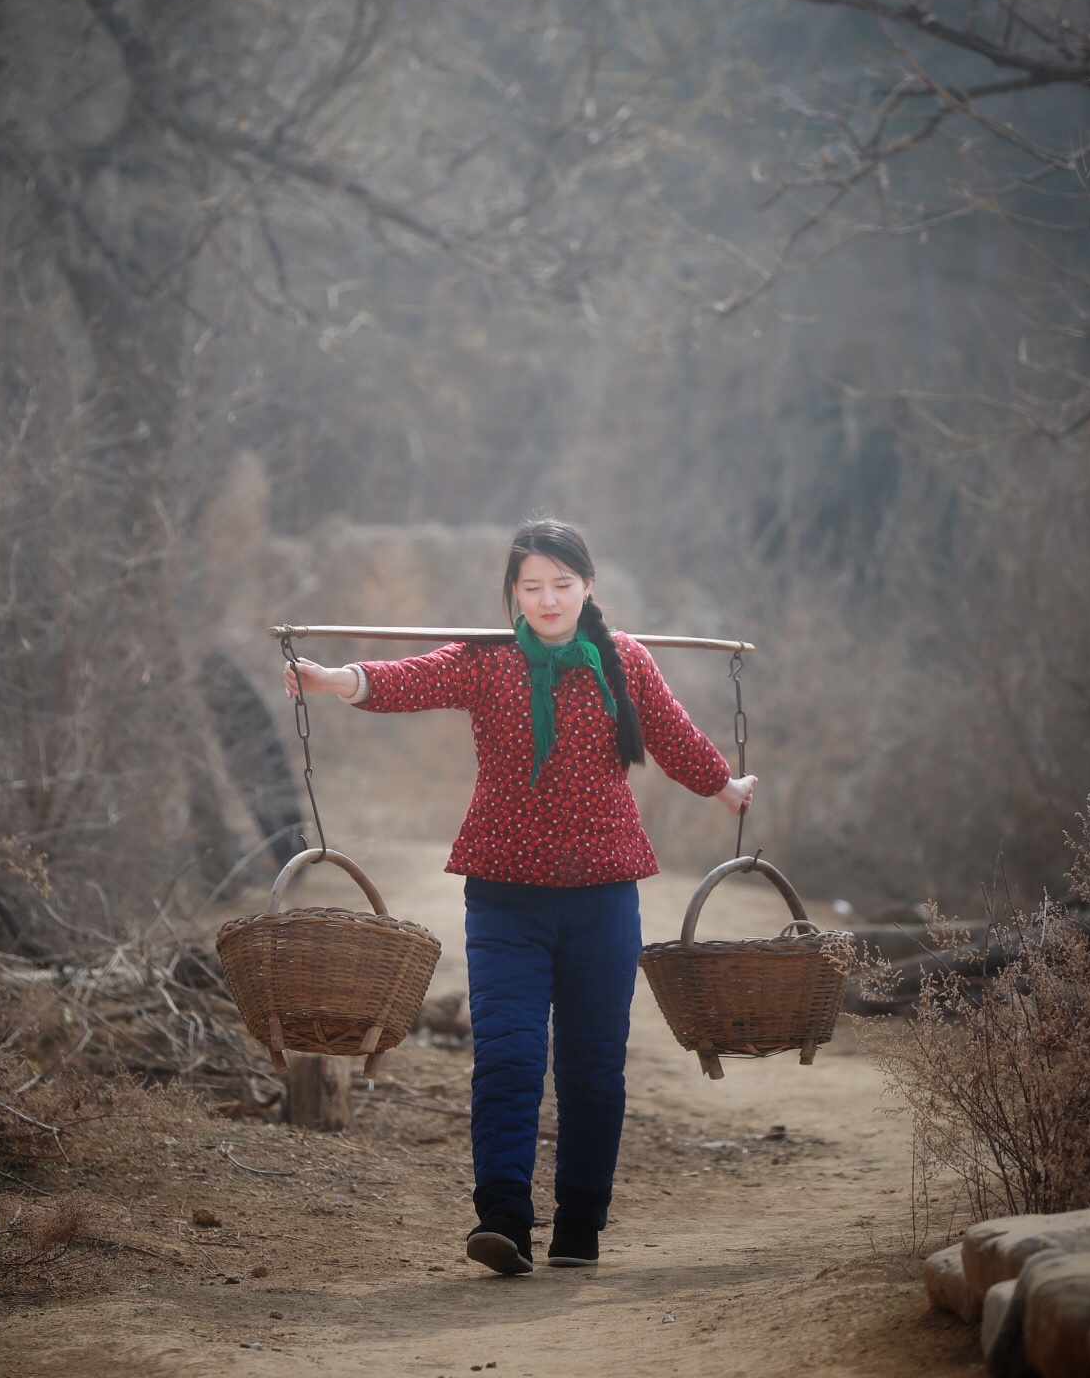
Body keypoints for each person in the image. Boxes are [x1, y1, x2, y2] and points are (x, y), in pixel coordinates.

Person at [283, 518, 757, 1277]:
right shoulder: (487, 659)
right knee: (506, 1054)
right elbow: (412, 679)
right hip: (503, 897)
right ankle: (503, 1215)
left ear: (587, 587)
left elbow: (673, 736)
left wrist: (724, 786)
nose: (547, 599)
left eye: (561, 585)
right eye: (531, 586)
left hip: (604, 896)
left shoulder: (623, 660)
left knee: (594, 1066)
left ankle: (580, 1226)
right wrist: (338, 681)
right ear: (511, 593)